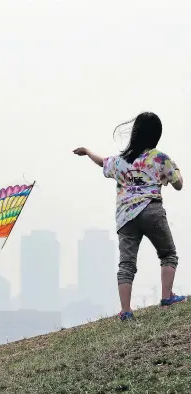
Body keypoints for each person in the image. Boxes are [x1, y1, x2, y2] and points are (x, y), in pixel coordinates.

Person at [73, 112, 186, 321]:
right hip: (151, 210)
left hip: (126, 217)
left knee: (126, 264)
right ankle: (166, 297)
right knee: (168, 254)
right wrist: (172, 174)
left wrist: (87, 151)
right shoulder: (160, 158)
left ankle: (126, 310)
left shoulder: (121, 160)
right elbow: (179, 184)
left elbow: (102, 162)